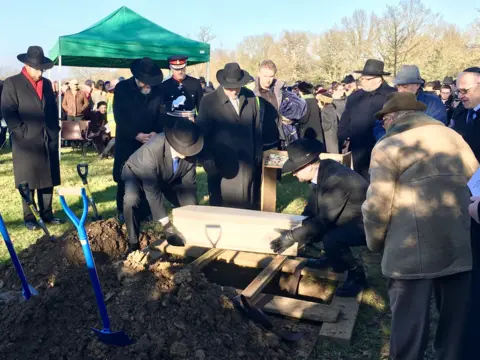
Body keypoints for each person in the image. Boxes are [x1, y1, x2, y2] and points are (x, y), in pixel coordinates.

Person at [362, 92, 478, 360]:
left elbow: (377, 204)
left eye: (385, 120)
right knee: (454, 322)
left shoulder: (387, 146)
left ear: (392, 117)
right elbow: (477, 181)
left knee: (408, 324)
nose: (385, 125)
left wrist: (375, 241)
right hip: (457, 243)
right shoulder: (453, 137)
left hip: (410, 252)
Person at [270, 138, 368, 297]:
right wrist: (298, 228)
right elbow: (312, 208)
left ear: (308, 166)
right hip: (347, 216)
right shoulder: (322, 171)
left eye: (296, 170)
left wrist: (291, 237)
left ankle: (357, 275)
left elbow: (323, 221)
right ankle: (330, 258)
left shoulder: (336, 180)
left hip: (368, 224)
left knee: (331, 238)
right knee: (314, 228)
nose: (293, 174)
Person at [1, 46, 64, 230]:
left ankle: (47, 214)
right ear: (27, 66)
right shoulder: (13, 83)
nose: (40, 72)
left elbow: (51, 108)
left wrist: (55, 130)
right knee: (28, 180)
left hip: (47, 137)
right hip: (25, 141)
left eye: (42, 69)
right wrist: (20, 131)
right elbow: (8, 110)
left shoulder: (45, 84)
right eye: (37, 68)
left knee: (48, 178)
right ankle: (30, 217)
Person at [122, 116, 203, 252]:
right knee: (131, 200)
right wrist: (168, 227)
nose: (187, 153)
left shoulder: (190, 152)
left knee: (188, 206)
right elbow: (152, 192)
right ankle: (133, 243)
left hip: (168, 175)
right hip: (136, 173)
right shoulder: (152, 150)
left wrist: (192, 216)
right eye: (183, 149)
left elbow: (188, 187)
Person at [196, 63, 264, 210]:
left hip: (247, 161)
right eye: (230, 87)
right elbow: (202, 133)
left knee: (247, 203)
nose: (234, 91)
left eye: (237, 86)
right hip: (221, 164)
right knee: (223, 207)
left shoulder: (250, 97)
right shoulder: (208, 101)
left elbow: (257, 127)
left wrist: (258, 152)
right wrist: (206, 159)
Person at [113, 57, 165, 222]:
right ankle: (123, 210)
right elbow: (119, 116)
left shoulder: (157, 90)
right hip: (128, 139)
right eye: (144, 82)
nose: (147, 85)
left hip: (151, 141)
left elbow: (161, 114)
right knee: (125, 177)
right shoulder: (122, 88)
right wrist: (136, 134)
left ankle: (146, 210)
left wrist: (156, 133)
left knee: (148, 176)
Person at [338, 59, 396, 180]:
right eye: (361, 78)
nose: (362, 81)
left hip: (383, 148)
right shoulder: (354, 97)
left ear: (378, 79)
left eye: (366, 79)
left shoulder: (392, 96)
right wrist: (342, 138)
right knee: (361, 183)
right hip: (359, 150)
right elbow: (345, 120)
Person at [373, 65, 448, 140]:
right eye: (398, 86)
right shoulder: (392, 101)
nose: (400, 90)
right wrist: (388, 141)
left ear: (418, 85)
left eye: (405, 86)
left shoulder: (433, 103)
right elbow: (379, 127)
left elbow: (437, 130)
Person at [253, 60, 285, 150]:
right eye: (265, 76)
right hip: (257, 141)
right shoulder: (250, 92)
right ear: (259, 74)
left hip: (276, 140)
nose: (268, 80)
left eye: (271, 76)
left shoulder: (279, 91)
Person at [296, 82, 325, 148]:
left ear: (301, 91)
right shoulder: (315, 100)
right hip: (318, 130)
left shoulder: (304, 102)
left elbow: (303, 119)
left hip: (308, 131)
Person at [316, 89, 339, 154]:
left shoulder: (325, 110)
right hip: (334, 134)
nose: (318, 103)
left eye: (319, 101)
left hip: (329, 136)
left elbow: (326, 125)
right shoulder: (332, 107)